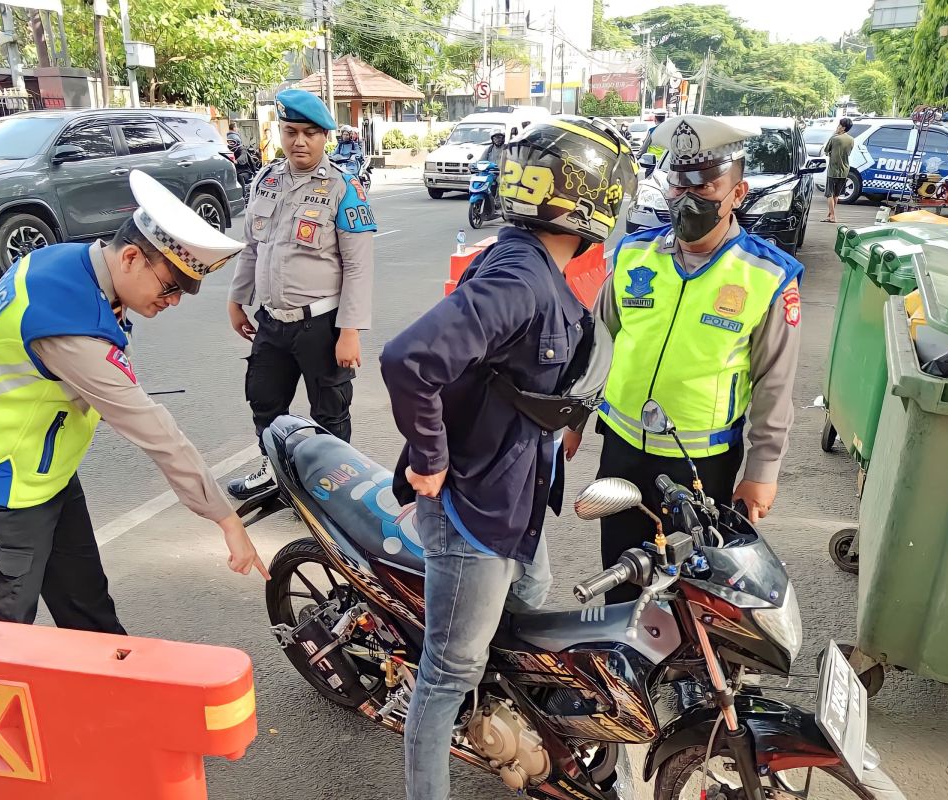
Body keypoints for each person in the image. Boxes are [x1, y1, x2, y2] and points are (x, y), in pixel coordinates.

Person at [381, 116, 637, 800]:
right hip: (474, 510)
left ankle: (501, 716)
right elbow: (409, 360)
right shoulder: (523, 275)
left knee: (531, 600)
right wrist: (429, 460)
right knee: (447, 670)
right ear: (588, 200)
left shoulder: (528, 257)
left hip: (514, 494)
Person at [0, 170, 268, 633]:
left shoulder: (64, 262)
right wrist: (226, 520)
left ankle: (113, 702)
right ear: (130, 256)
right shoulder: (68, 319)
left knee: (89, 612)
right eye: (170, 287)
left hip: (45, 476)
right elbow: (154, 431)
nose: (173, 302)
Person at [565, 114, 803, 608]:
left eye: (707, 185)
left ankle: (689, 681)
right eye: (677, 182)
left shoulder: (767, 276)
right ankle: (628, 673)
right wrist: (573, 417)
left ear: (738, 193)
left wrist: (763, 468)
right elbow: (596, 342)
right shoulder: (634, 255)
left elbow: (774, 383)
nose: (687, 197)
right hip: (623, 448)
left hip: (702, 463)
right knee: (623, 574)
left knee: (692, 584)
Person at [227, 89, 376, 501]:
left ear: (325, 137)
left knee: (329, 412)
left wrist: (350, 330)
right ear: (280, 131)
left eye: (310, 133)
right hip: (272, 321)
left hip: (322, 325)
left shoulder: (344, 189)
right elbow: (253, 247)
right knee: (265, 404)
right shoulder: (266, 179)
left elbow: (359, 266)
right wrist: (237, 299)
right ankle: (275, 475)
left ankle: (333, 488)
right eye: (291, 131)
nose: (299, 142)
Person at [822, 117, 855, 222]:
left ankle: (832, 216)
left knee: (829, 194)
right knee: (836, 194)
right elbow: (848, 153)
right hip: (844, 170)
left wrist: (834, 134)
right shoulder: (851, 140)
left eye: (839, 125)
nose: (837, 127)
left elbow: (826, 150)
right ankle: (830, 215)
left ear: (843, 128)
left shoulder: (835, 138)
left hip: (833, 170)